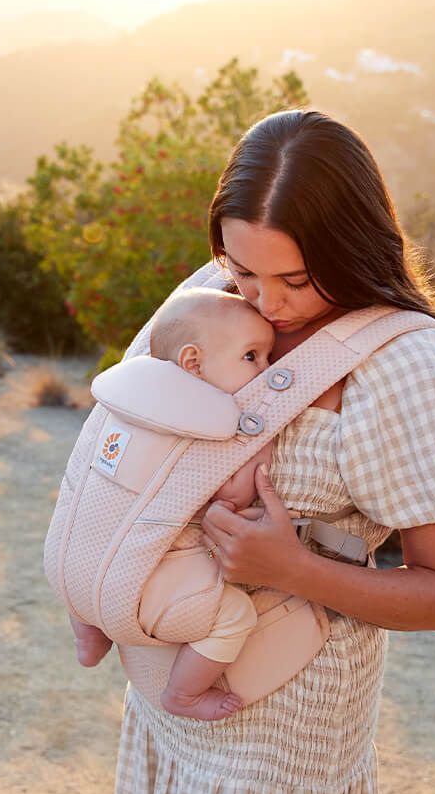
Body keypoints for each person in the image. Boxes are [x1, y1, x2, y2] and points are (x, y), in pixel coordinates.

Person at [103, 109, 435, 794]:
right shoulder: (212, 298)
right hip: (172, 693)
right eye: (244, 268)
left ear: (354, 246)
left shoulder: (407, 368)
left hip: (284, 728)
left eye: (294, 278)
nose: (267, 303)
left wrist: (291, 568)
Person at [69, 286, 278, 721]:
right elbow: (234, 496)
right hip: (140, 587)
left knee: (84, 559)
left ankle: (88, 634)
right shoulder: (211, 423)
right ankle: (183, 694)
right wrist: (261, 450)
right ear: (193, 363)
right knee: (234, 615)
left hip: (69, 565)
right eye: (252, 356)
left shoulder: (126, 398)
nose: (267, 368)